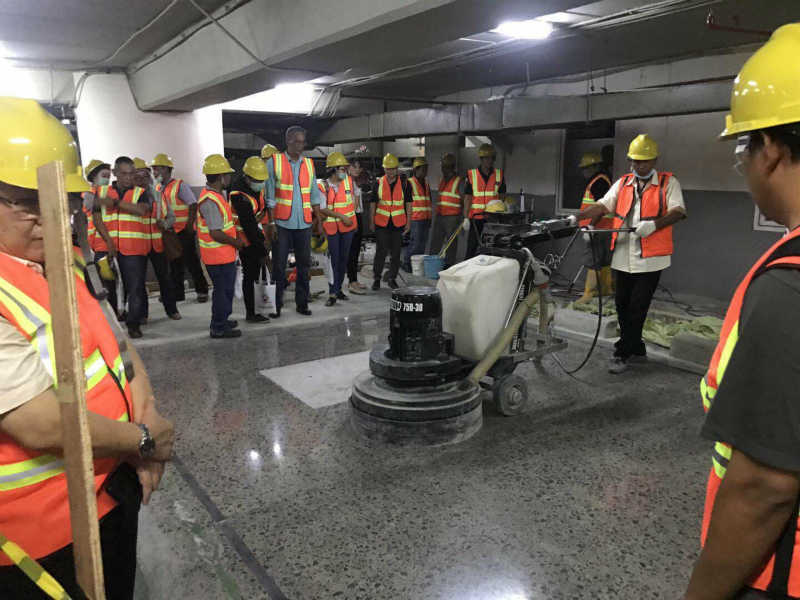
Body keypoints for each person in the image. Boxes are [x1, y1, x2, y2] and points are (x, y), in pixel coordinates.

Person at [0, 96, 174, 600]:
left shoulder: (66, 260)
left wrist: (149, 418)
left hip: (112, 488)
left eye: (61, 200)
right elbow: (35, 421)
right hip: (37, 532)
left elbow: (118, 349)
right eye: (28, 201)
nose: (49, 216)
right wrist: (142, 439)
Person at [683, 24, 800, 600]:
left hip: (781, 570)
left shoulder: (790, 283)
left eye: (743, 147)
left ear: (772, 148)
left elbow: (764, 485)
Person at [576, 133, 687, 374]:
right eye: (633, 161)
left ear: (654, 161)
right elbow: (603, 205)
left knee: (638, 306)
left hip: (651, 259)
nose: (637, 166)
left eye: (642, 161)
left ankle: (621, 352)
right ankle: (636, 347)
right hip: (623, 256)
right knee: (622, 304)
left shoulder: (669, 183)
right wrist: (580, 217)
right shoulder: (623, 182)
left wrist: (654, 225)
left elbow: (678, 211)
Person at [264, 126, 323, 318]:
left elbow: (314, 194)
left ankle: (302, 303)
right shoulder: (275, 162)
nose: (301, 146)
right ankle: (276, 304)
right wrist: (271, 223)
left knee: (304, 265)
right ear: (288, 141)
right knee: (279, 266)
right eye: (298, 141)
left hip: (304, 223)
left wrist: (318, 219)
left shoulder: (309, 164)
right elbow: (270, 196)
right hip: (281, 223)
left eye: (303, 142)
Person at [150, 153, 209, 304]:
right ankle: (178, 294)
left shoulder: (179, 185)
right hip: (169, 232)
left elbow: (193, 204)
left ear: (168, 169)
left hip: (183, 230)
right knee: (174, 264)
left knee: (192, 262)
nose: (155, 172)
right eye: (154, 169)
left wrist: (190, 226)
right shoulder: (157, 188)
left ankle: (202, 291)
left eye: (158, 168)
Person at [197, 154, 243, 338]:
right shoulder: (210, 201)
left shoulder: (216, 196)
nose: (229, 178)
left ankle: (222, 318)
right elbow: (215, 232)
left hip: (224, 254)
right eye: (227, 174)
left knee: (226, 290)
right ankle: (218, 326)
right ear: (220, 176)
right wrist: (236, 242)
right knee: (222, 292)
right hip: (217, 256)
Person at [113, 157, 158, 338]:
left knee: (135, 288)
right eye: (123, 174)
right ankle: (113, 322)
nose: (128, 178)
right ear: (115, 173)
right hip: (109, 248)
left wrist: (115, 203)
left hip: (133, 249)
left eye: (131, 174)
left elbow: (142, 210)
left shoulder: (141, 192)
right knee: (110, 288)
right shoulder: (104, 192)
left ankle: (134, 324)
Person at [131, 158, 180, 325]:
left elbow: (172, 217)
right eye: (138, 176)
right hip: (138, 245)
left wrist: (165, 224)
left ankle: (172, 309)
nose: (142, 179)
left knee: (165, 278)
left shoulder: (158, 193)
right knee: (138, 282)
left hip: (158, 244)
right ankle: (142, 314)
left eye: (145, 175)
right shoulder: (130, 197)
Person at [229, 156, 270, 323]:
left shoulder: (254, 188)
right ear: (247, 177)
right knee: (250, 277)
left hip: (254, 234)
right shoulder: (238, 195)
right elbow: (248, 225)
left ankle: (258, 307)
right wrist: (262, 250)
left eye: (262, 180)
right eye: (257, 180)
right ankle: (251, 313)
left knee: (256, 275)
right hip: (245, 240)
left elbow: (261, 209)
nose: (261, 183)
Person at [317, 152, 357, 306]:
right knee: (333, 262)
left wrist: (352, 222)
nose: (344, 171)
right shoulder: (322, 186)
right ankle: (332, 292)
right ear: (333, 169)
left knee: (343, 260)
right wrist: (342, 217)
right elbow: (323, 208)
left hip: (347, 228)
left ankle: (339, 289)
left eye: (345, 168)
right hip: (332, 228)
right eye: (342, 168)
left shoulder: (348, 181)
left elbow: (351, 203)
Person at [82, 159, 120, 313]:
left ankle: (118, 310)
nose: (107, 179)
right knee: (105, 281)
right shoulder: (87, 194)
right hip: (96, 245)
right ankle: (112, 312)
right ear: (93, 177)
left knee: (115, 280)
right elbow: (89, 208)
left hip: (112, 243)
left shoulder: (111, 192)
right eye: (104, 175)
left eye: (108, 176)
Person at [370, 153, 412, 290]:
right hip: (381, 223)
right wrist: (371, 221)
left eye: (393, 168)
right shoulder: (378, 183)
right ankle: (376, 278)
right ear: (384, 169)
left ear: (397, 169)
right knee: (381, 252)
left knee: (396, 253)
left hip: (398, 223)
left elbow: (408, 203)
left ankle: (392, 278)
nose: (390, 171)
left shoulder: (405, 184)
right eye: (388, 169)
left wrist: (409, 222)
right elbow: (373, 204)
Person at [575, 152, 613, 303]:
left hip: (597, 229)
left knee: (593, 261)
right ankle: (605, 289)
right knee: (604, 261)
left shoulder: (598, 182)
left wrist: (590, 226)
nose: (585, 171)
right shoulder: (602, 180)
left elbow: (600, 208)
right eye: (583, 168)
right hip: (605, 228)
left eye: (587, 168)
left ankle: (588, 294)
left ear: (596, 166)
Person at [463, 143, 506, 259]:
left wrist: (499, 210)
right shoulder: (472, 175)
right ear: (481, 159)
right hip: (476, 219)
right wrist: (466, 217)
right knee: (471, 247)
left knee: (491, 248)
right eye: (486, 158)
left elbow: (502, 196)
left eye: (492, 158)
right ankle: (467, 272)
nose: (489, 161)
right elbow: (468, 197)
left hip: (492, 219)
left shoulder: (499, 175)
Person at [429, 153, 463, 267]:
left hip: (452, 217)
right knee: (436, 241)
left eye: (445, 167)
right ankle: (432, 263)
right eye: (443, 167)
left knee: (451, 243)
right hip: (440, 215)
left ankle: (448, 265)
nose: (443, 169)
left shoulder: (459, 181)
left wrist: (463, 218)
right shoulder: (443, 180)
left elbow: (464, 199)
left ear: (451, 167)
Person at [403, 157, 432, 271]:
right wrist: (407, 220)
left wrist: (430, 218)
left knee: (422, 244)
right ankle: (407, 262)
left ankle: (417, 264)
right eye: (423, 169)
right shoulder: (410, 183)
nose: (425, 172)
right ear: (416, 170)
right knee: (415, 243)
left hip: (425, 218)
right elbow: (406, 202)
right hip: (415, 218)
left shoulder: (426, 183)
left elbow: (429, 200)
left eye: (426, 169)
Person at [346, 158, 370, 295]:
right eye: (354, 167)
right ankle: (351, 282)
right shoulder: (347, 182)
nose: (357, 170)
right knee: (351, 252)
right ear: (348, 167)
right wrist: (352, 219)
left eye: (359, 167)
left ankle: (354, 280)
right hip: (351, 217)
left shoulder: (355, 182)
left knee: (355, 251)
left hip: (357, 216)